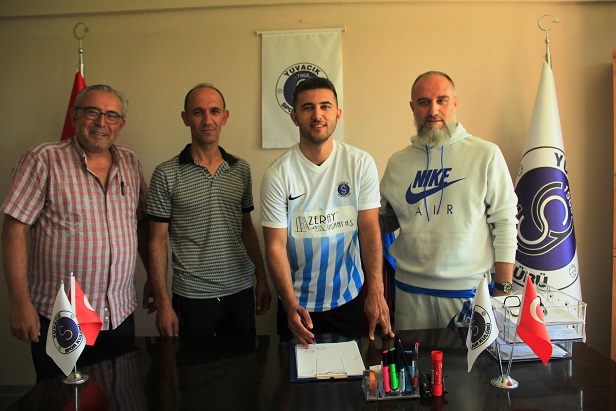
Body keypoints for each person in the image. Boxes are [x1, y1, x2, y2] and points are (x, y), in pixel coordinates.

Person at [1, 84, 150, 382]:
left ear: (121, 124)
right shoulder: (43, 159)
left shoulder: (131, 163)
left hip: (118, 313)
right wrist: (19, 302)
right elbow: (14, 230)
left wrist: (153, 280)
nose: (101, 122)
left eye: (111, 115)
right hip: (63, 316)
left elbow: (143, 225)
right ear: (74, 115)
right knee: (62, 396)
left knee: (119, 391)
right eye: (92, 112)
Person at [379, 71, 518, 330]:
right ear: (412, 108)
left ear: (454, 103)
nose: (433, 110)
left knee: (467, 359)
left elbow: (505, 223)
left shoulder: (486, 155)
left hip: (467, 294)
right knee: (411, 358)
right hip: (409, 293)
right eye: (423, 102)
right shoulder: (398, 162)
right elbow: (384, 221)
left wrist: (504, 287)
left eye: (441, 100)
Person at [261, 77, 394, 348]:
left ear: (338, 114)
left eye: (325, 106)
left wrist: (376, 290)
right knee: (295, 375)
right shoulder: (278, 174)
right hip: (297, 305)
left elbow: (369, 228)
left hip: (348, 299)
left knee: (352, 373)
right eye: (307, 108)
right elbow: (275, 245)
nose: (317, 115)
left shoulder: (360, 164)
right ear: (294, 117)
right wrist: (289, 304)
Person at [147, 83, 271, 337]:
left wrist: (262, 277)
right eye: (198, 112)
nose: (207, 120)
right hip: (192, 295)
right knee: (194, 363)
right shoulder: (166, 174)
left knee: (244, 361)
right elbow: (156, 242)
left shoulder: (240, 169)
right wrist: (163, 303)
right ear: (186, 118)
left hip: (240, 290)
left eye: (214, 111)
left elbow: (246, 228)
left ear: (225, 117)